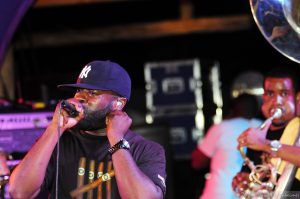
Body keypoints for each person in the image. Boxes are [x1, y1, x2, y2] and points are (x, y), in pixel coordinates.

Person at [8, 60, 166, 199]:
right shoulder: (59, 141)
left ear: (118, 103)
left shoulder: (146, 149)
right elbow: (19, 192)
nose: (80, 98)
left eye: (92, 93)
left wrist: (117, 139)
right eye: (79, 91)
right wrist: (55, 127)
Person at [233, 66, 300, 194]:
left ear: (297, 97)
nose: (276, 101)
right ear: (263, 97)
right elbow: (254, 178)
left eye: (284, 94)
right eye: (270, 94)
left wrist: (265, 145)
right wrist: (244, 180)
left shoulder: (298, 130)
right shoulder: (260, 133)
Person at [191, 93, 262, 199]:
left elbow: (197, 162)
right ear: (257, 109)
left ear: (233, 109)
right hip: (252, 194)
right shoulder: (264, 127)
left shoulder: (221, 127)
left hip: (219, 194)